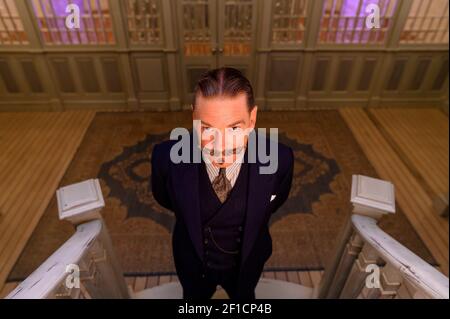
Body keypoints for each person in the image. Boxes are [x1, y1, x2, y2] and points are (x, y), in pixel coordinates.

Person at [151, 67, 294, 299]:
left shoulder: (281, 159)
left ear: (252, 119)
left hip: (248, 264)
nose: (220, 145)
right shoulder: (165, 158)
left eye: (235, 128)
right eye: (207, 128)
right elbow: (165, 199)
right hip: (192, 264)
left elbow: (274, 203)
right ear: (194, 119)